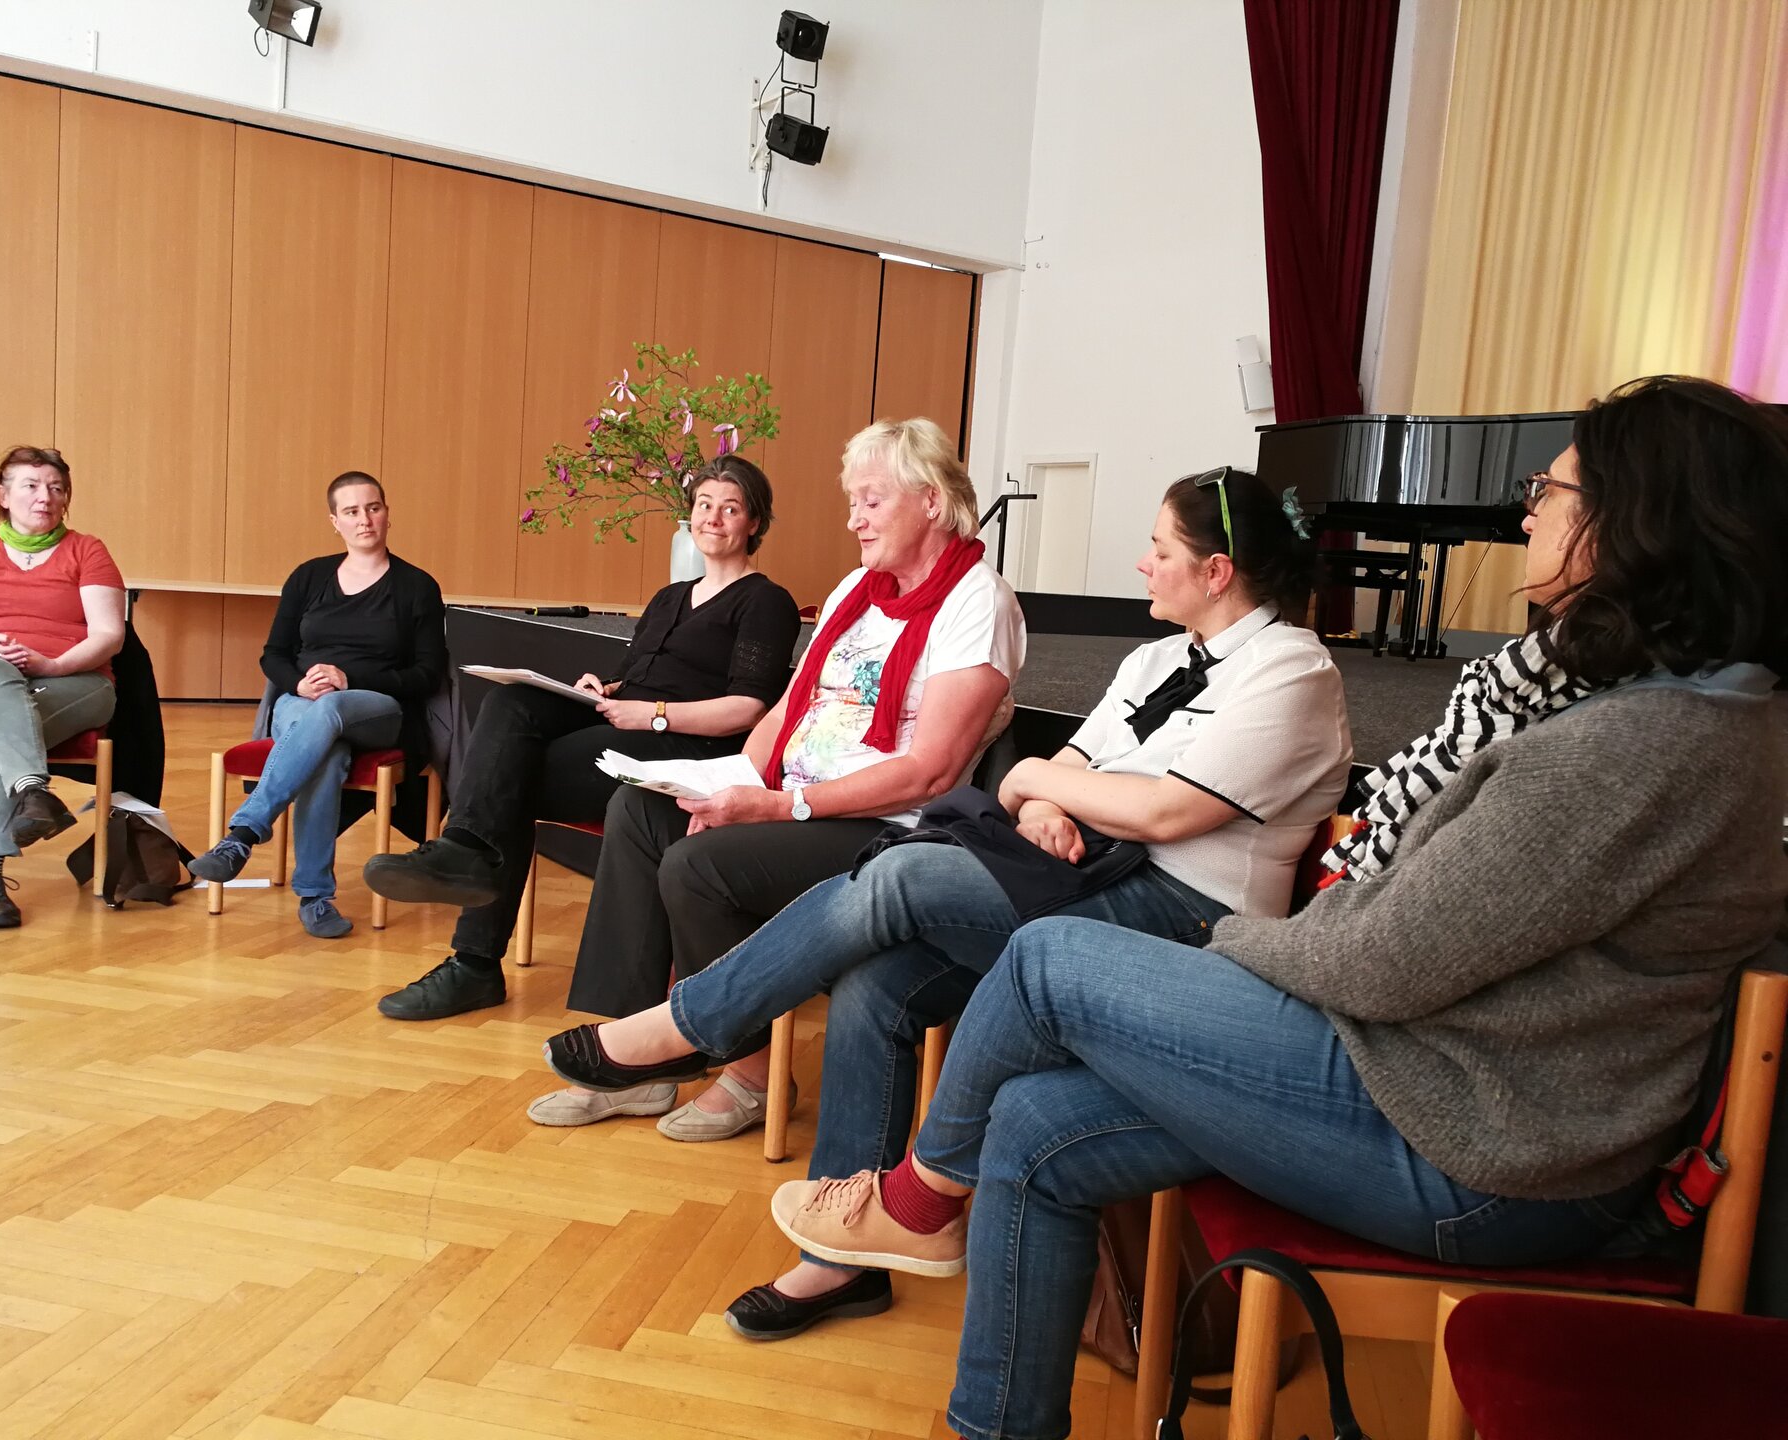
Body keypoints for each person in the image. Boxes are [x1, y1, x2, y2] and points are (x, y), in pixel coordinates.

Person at [762, 375, 1788, 1440]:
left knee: (1043, 959)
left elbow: (1386, 960)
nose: (1529, 509)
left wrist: (1235, 942)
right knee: (1027, 1119)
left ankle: (919, 1202)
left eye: (1554, 488)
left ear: (1640, 523)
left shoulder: (1632, 751)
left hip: (1484, 1151)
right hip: (1450, 1078)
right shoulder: (1666, 712)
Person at [545, 469, 1355, 1337]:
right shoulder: (1156, 657)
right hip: (1090, 876)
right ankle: (842, 1259)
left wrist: (1044, 781)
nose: (1142, 564)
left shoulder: (1292, 672)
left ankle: (687, 1026)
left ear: (1218, 571)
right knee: (877, 980)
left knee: (900, 873)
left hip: (1189, 919)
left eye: (1159, 550)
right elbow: (1069, 773)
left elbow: (1166, 811)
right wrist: (1045, 797)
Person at [535, 417, 1027, 1134]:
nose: (853, 519)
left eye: (870, 500)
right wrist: (731, 784)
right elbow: (789, 710)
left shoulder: (978, 602)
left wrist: (774, 807)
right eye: (851, 501)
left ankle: (752, 1073)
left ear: (928, 500)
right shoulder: (858, 587)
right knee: (639, 814)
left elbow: (930, 772)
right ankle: (635, 1058)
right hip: (796, 796)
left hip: (886, 829)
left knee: (700, 867)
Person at [367, 456, 801, 1019]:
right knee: (511, 699)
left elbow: (749, 709)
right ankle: (467, 852)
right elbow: (645, 674)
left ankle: (473, 957)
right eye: (703, 505)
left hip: (685, 746)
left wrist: (654, 714)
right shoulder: (671, 597)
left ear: (754, 524)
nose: (713, 518)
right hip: (628, 718)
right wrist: (608, 686)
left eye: (731, 508)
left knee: (510, 781)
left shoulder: (766, 600)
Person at [188, 471, 447, 940]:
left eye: (373, 508)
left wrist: (350, 679)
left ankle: (243, 834)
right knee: (325, 752)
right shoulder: (308, 577)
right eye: (351, 511)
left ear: (387, 513)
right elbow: (274, 654)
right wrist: (301, 685)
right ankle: (315, 897)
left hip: (377, 707)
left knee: (329, 713)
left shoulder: (417, 586)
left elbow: (427, 674)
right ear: (334, 521)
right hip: (302, 699)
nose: (364, 520)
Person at [0, 446, 126, 930]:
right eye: (32, 486)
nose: (46, 497)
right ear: (3, 494)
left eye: (56, 488)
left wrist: (53, 664)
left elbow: (108, 635)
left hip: (71, 681)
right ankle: (33, 790)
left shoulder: (88, 550)